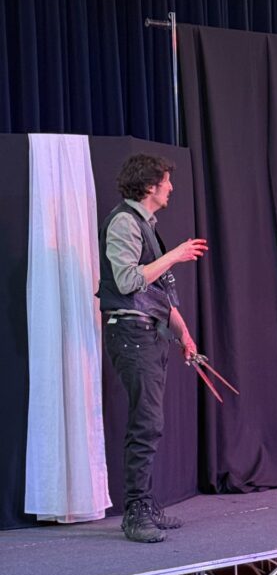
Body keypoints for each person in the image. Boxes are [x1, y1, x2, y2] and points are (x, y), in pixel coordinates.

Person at [97, 154, 208, 542]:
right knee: (146, 423)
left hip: (148, 332)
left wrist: (184, 336)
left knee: (151, 423)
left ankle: (144, 503)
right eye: (165, 181)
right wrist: (175, 254)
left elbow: (158, 293)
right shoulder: (125, 222)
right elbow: (128, 281)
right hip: (131, 333)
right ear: (149, 186)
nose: (171, 187)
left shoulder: (145, 224)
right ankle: (136, 512)